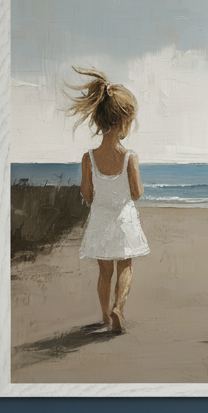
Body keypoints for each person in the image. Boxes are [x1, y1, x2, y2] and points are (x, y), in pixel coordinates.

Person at [65, 67, 149, 332]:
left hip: (101, 218)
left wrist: (101, 197)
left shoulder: (88, 158)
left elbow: (87, 194)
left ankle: (103, 315)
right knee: (125, 265)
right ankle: (118, 308)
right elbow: (136, 193)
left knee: (104, 271)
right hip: (124, 218)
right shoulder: (129, 157)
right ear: (124, 122)